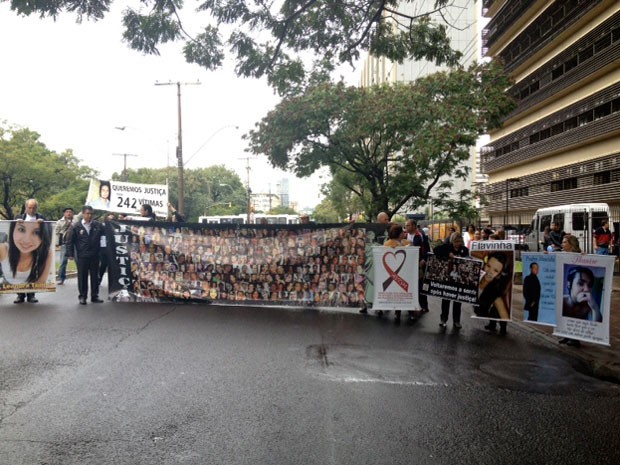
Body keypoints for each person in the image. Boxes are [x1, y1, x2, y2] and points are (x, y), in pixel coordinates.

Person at [0, 215, 53, 300]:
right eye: (21, 230)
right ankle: (20, 295)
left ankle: (31, 295)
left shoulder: (45, 253)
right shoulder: (3, 249)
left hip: (31, 287)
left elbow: (40, 283)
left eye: (37, 232)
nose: (27, 240)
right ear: (12, 230)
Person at [11, 199, 49, 303]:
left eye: (34, 208)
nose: (32, 210)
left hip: (35, 248)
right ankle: (20, 295)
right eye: (30, 207)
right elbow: (12, 230)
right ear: (26, 207)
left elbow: (48, 231)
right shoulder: (19, 217)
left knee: (33, 270)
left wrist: (43, 224)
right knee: (21, 271)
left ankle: (31, 294)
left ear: (37, 208)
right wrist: (16, 224)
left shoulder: (41, 218)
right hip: (21, 248)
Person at [66, 205, 105, 305]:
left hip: (95, 255)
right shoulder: (76, 226)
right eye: (87, 213)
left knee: (95, 276)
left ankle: (94, 296)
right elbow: (69, 241)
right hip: (82, 255)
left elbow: (105, 237)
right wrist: (70, 254)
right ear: (83, 214)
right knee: (82, 277)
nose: (89, 216)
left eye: (91, 214)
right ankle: (82, 296)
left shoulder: (98, 225)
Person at [433, 232, 469, 330]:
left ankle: (456, 321)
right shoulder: (447, 247)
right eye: (455, 242)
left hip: (459, 279)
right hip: (448, 279)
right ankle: (443, 319)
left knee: (458, 300)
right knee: (446, 300)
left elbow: (468, 261)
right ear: (452, 241)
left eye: (459, 242)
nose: (457, 244)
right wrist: (448, 254)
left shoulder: (464, 250)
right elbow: (435, 250)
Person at [473, 252, 511, 335]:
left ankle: (502, 327)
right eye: (488, 266)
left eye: (496, 270)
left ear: (499, 275)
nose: (489, 271)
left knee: (495, 310)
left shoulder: (494, 292)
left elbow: (504, 315)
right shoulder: (474, 277)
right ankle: (492, 324)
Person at [383, 223, 411, 323]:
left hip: (403, 272)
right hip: (393, 273)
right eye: (402, 231)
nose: (404, 232)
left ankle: (405, 310)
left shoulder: (406, 242)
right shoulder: (388, 244)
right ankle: (398, 311)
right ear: (399, 234)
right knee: (397, 290)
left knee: (402, 290)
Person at [405, 219, 430, 313]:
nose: (406, 227)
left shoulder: (421, 235)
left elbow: (427, 248)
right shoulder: (404, 235)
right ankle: (411, 305)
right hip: (408, 265)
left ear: (414, 226)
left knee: (420, 285)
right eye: (406, 225)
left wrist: (424, 259)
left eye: (408, 225)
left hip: (419, 264)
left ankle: (424, 306)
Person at [55, 207, 76, 285]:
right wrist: (57, 242)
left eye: (70, 212)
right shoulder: (60, 222)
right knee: (63, 261)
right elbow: (57, 232)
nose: (68, 213)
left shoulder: (76, 220)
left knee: (78, 261)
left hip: (75, 243)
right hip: (65, 243)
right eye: (67, 212)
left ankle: (81, 278)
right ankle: (61, 278)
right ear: (64, 213)